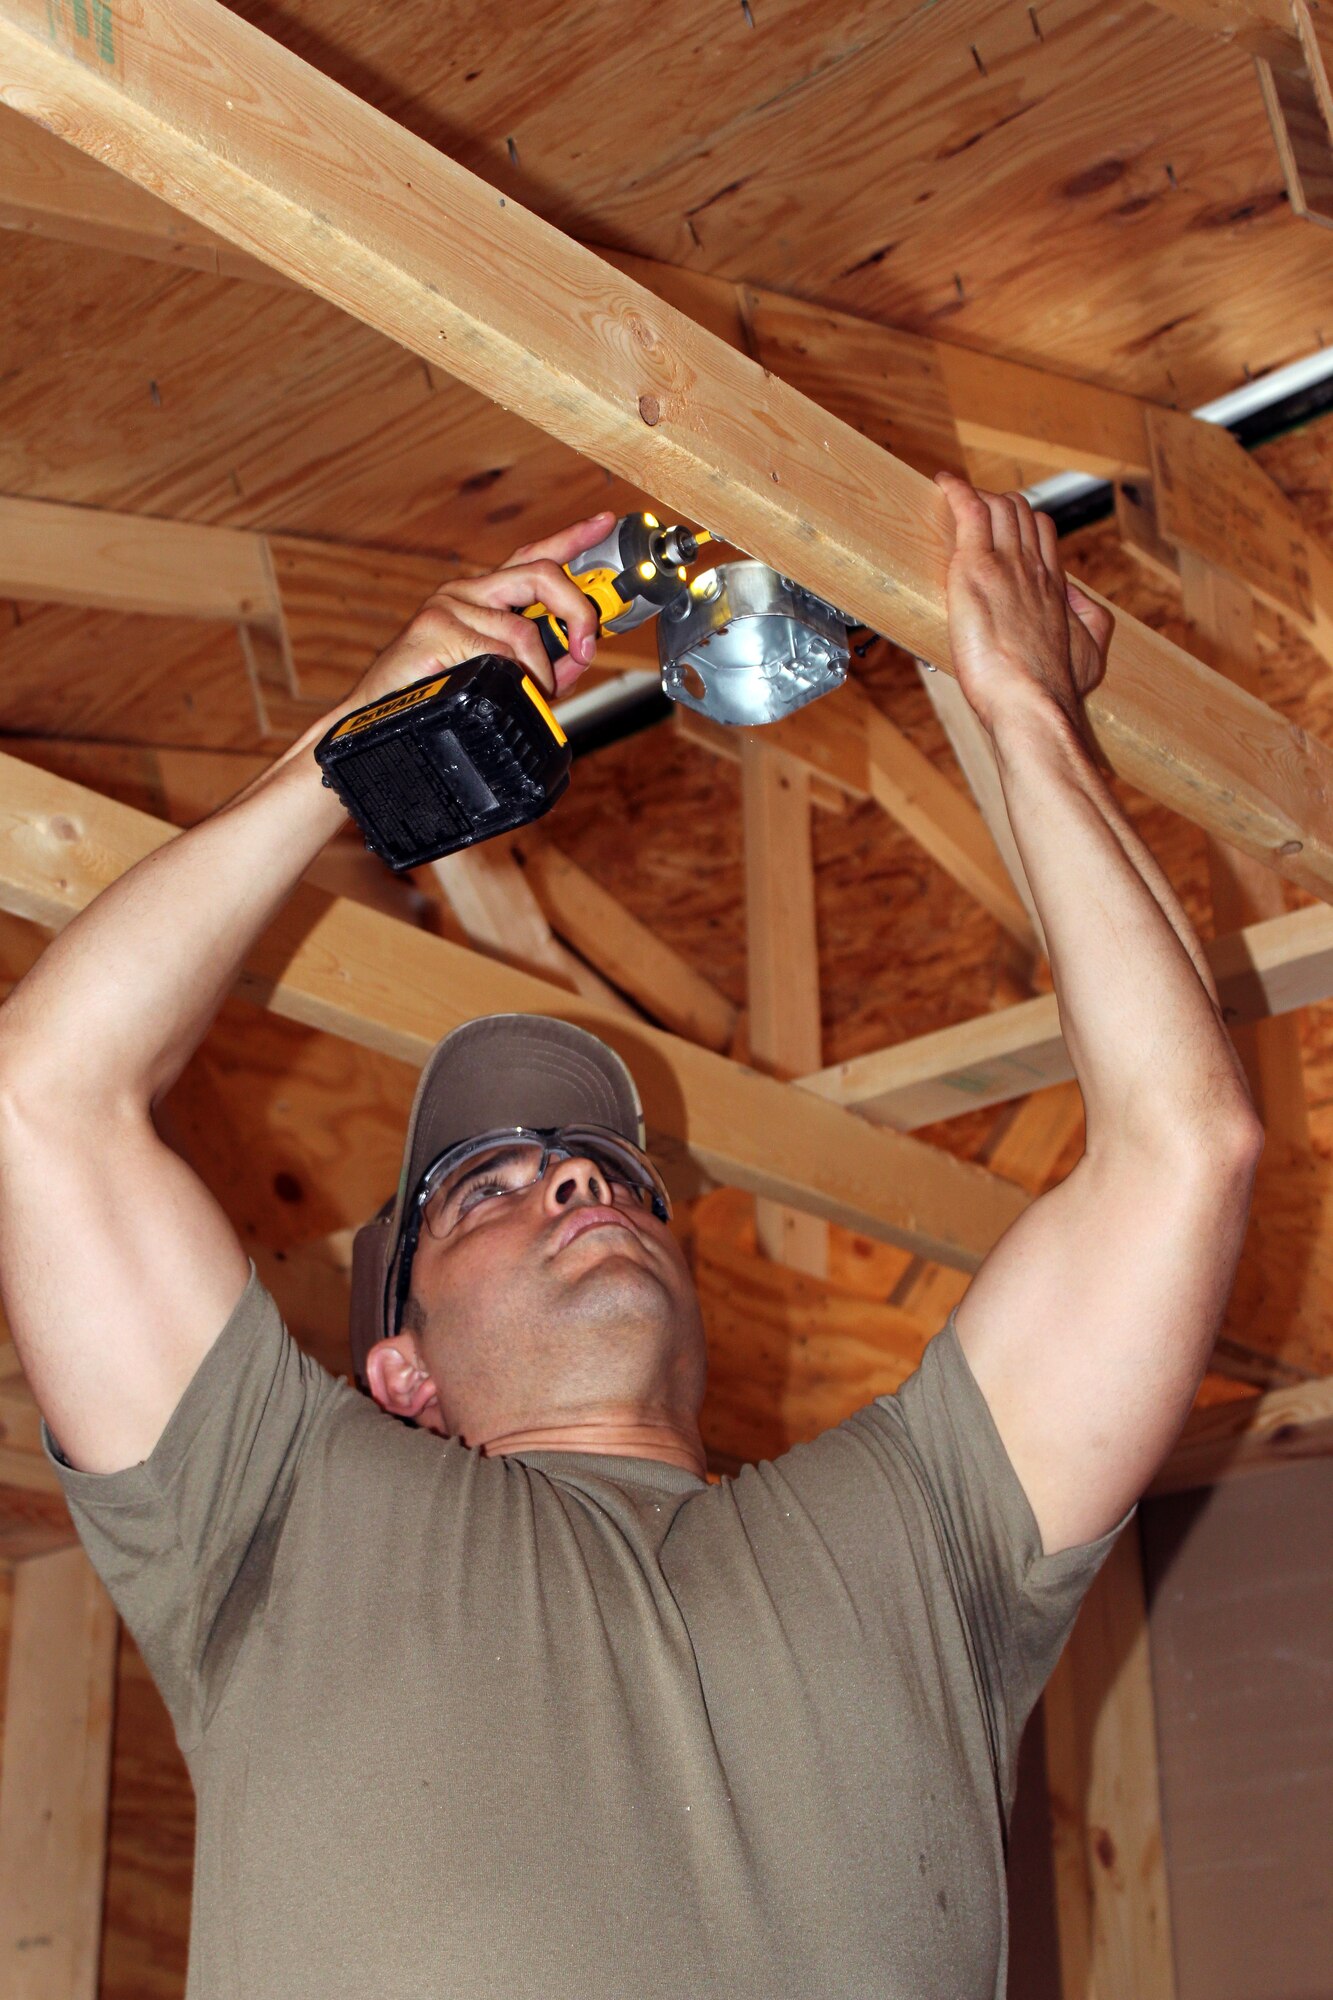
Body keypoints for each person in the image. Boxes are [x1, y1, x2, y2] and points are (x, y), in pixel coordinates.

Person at [0, 481, 1261, 2000]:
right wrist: (355, 747)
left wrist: (1015, 708)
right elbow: (40, 1102)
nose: (578, 1184)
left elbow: (1181, 1152)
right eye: (490, 1187)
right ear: (395, 1369)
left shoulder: (920, 1535)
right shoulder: (272, 1518)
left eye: (604, 1170)